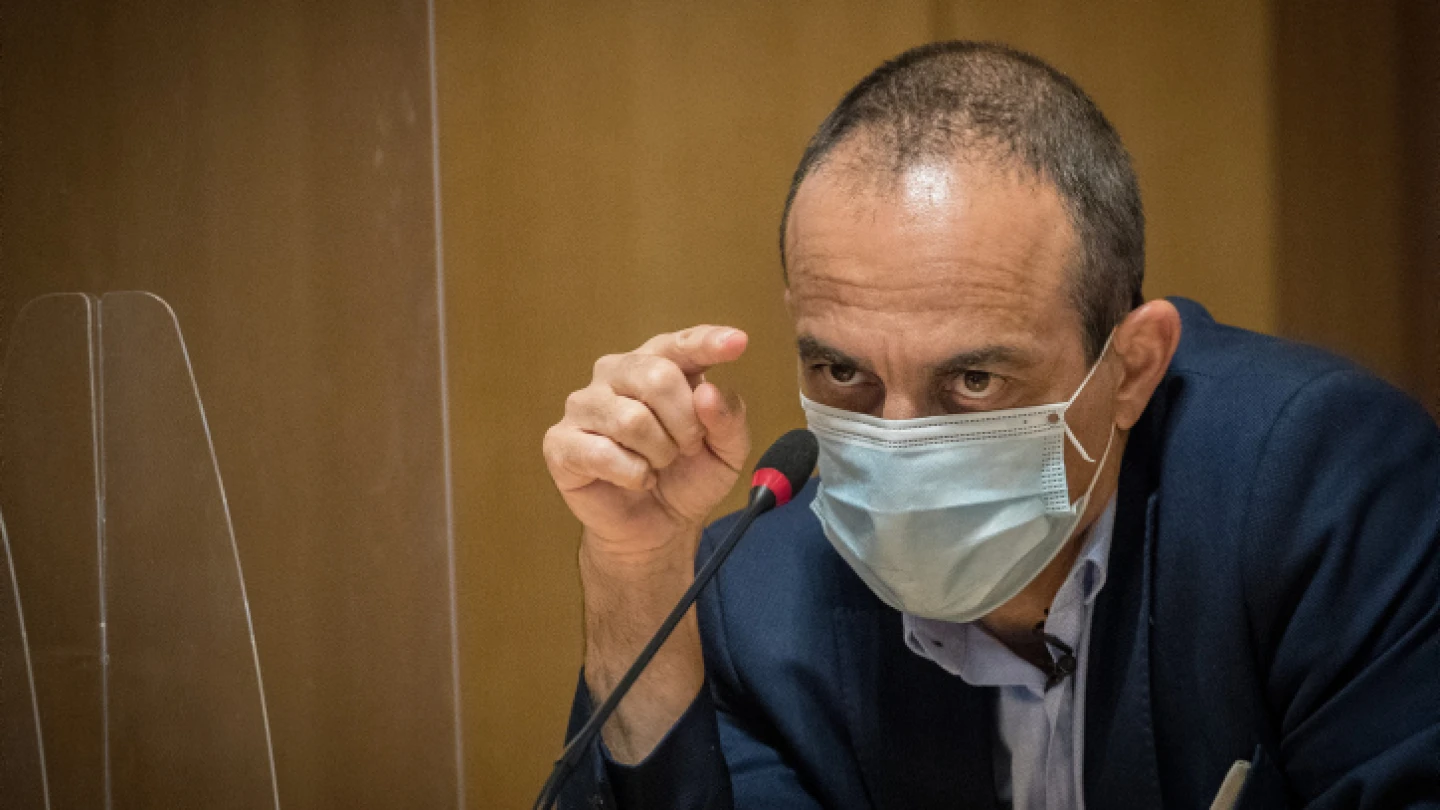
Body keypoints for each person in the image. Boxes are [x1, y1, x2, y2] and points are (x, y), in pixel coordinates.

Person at [541, 41, 1440, 809]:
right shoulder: (756, 603)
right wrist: (638, 571)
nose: (898, 442)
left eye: (972, 377)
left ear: (1131, 367)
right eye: (841, 371)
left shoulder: (1320, 488)